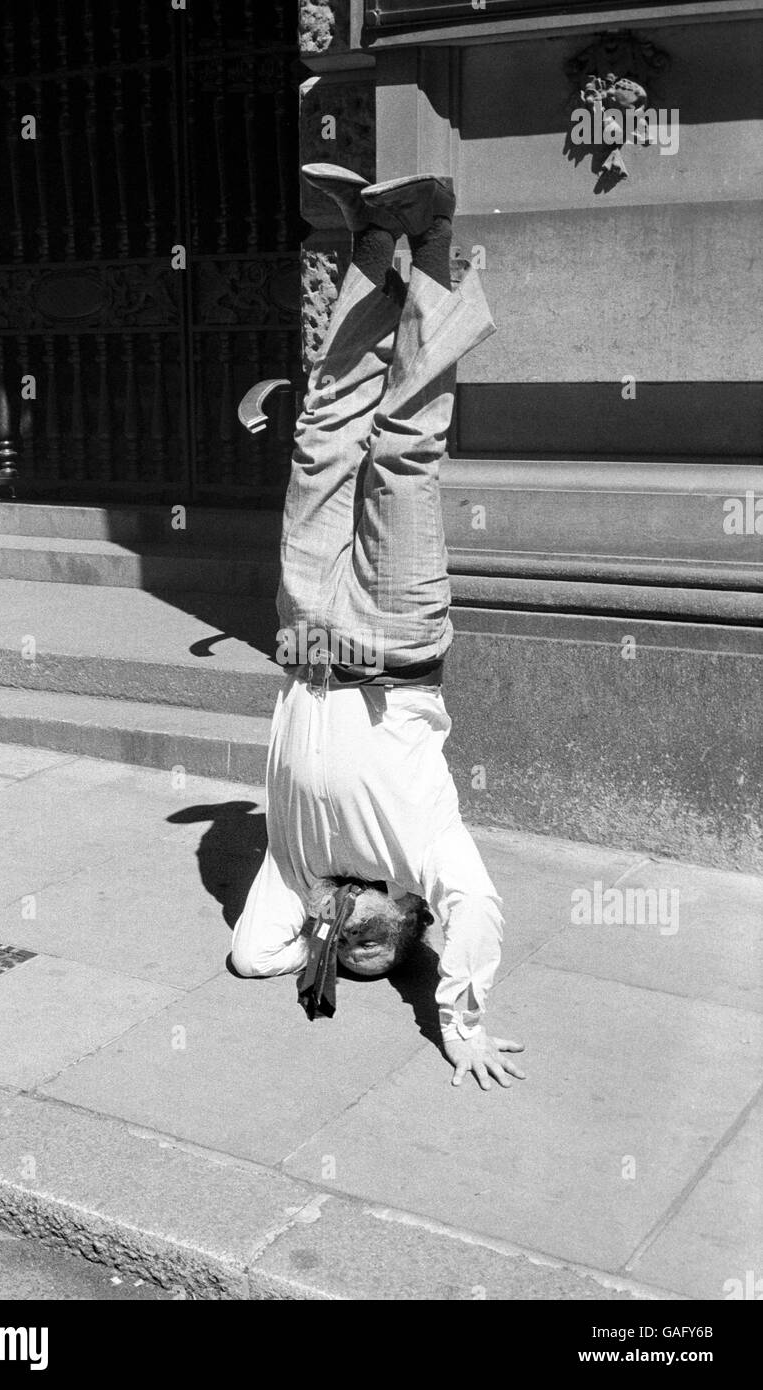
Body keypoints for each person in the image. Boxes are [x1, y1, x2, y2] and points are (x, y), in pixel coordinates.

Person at [231, 164, 525, 1091]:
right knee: (401, 450)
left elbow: (253, 955)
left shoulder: (299, 864)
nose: (356, 938)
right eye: (374, 951)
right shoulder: (418, 853)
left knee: (321, 432)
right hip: (397, 643)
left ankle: (365, 235)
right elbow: (477, 906)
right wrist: (459, 1018)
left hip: (306, 636)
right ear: (405, 924)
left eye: (342, 948)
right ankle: (432, 232)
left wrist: (314, 939)